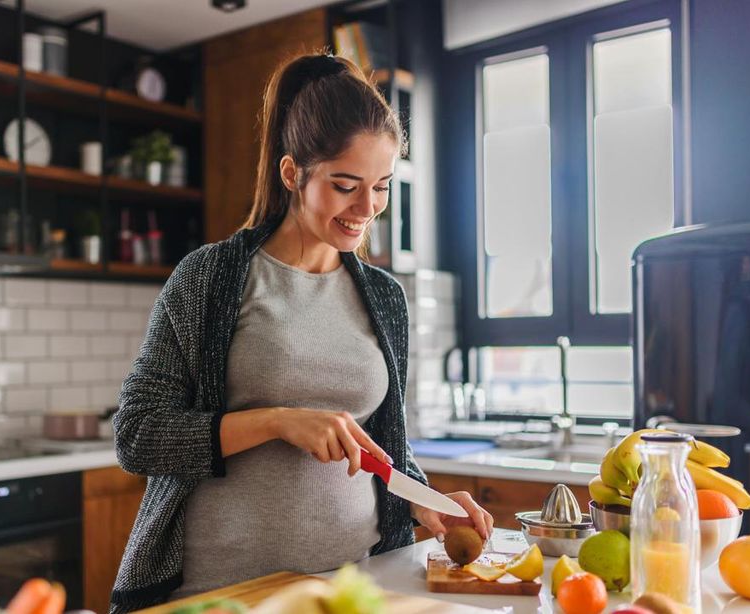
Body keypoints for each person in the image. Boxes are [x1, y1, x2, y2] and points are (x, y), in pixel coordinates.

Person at [110, 52, 493, 613]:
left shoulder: (385, 298)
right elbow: (138, 435)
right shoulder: (210, 278)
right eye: (345, 185)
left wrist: (423, 498)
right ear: (293, 173)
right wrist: (276, 422)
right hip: (221, 593)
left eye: (382, 186)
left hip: (351, 589)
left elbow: (380, 448)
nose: (367, 208)